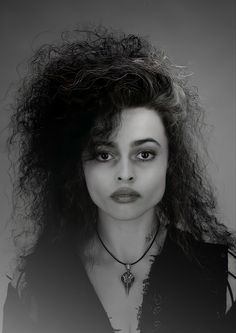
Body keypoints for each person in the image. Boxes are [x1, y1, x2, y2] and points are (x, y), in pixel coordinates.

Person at [3, 26, 236, 333]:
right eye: (103, 154)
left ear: (171, 162)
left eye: (144, 154)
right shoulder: (35, 284)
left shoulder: (225, 275)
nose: (125, 173)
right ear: (78, 166)